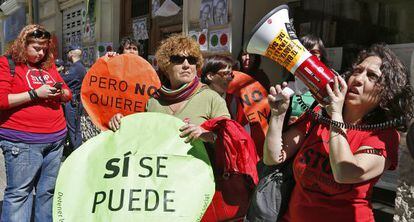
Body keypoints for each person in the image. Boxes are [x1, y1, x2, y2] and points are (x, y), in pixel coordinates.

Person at [264, 43, 414, 222]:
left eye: (372, 76)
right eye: (357, 71)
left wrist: (335, 113)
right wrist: (277, 115)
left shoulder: (383, 135)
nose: (358, 79)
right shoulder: (318, 115)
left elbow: (344, 172)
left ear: (387, 92)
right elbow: (272, 158)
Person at [0, 24, 72, 222]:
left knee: (46, 192)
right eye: (36, 48)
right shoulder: (7, 64)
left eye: (44, 48)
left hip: (55, 140)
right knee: (19, 195)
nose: (41, 53)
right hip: (22, 142)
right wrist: (35, 94)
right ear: (23, 45)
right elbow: (2, 99)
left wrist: (60, 93)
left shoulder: (47, 67)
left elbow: (67, 92)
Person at [287, 34, 329, 124]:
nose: (307, 58)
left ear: (321, 57)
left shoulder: (328, 87)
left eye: (313, 53)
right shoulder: (288, 85)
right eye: (304, 53)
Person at [62, 45, 87, 150]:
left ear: (71, 54)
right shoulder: (81, 66)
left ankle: (76, 152)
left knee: (73, 129)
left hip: (73, 103)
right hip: (76, 101)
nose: (67, 55)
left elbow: (61, 79)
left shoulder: (75, 68)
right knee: (76, 129)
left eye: (68, 52)